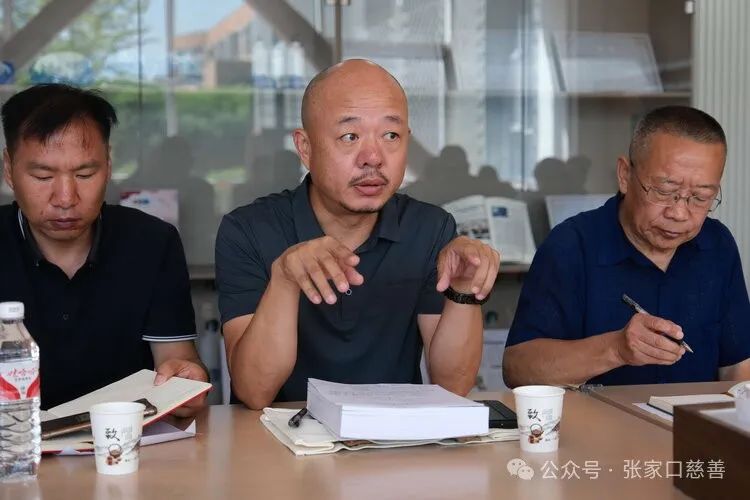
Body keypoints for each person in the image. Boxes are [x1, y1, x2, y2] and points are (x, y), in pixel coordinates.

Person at [216, 59, 500, 409]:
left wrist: (463, 290)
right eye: (350, 136)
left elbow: (453, 385)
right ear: (305, 148)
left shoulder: (429, 228)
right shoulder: (249, 230)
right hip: (277, 437)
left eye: (391, 136)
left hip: (393, 434)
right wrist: (285, 280)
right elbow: (254, 391)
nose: (373, 157)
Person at [503, 105, 750, 387]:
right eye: (664, 191)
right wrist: (616, 349)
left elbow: (739, 367)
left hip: (693, 417)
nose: (679, 213)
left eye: (700, 197)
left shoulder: (717, 245)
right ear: (624, 175)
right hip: (595, 417)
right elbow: (518, 369)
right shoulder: (572, 245)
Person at [0, 84, 208, 414]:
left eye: (85, 174)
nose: (65, 198)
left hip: (125, 440)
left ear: (108, 166)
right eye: (42, 176)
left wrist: (183, 384)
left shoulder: (151, 243)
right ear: (9, 170)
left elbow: (176, 360)